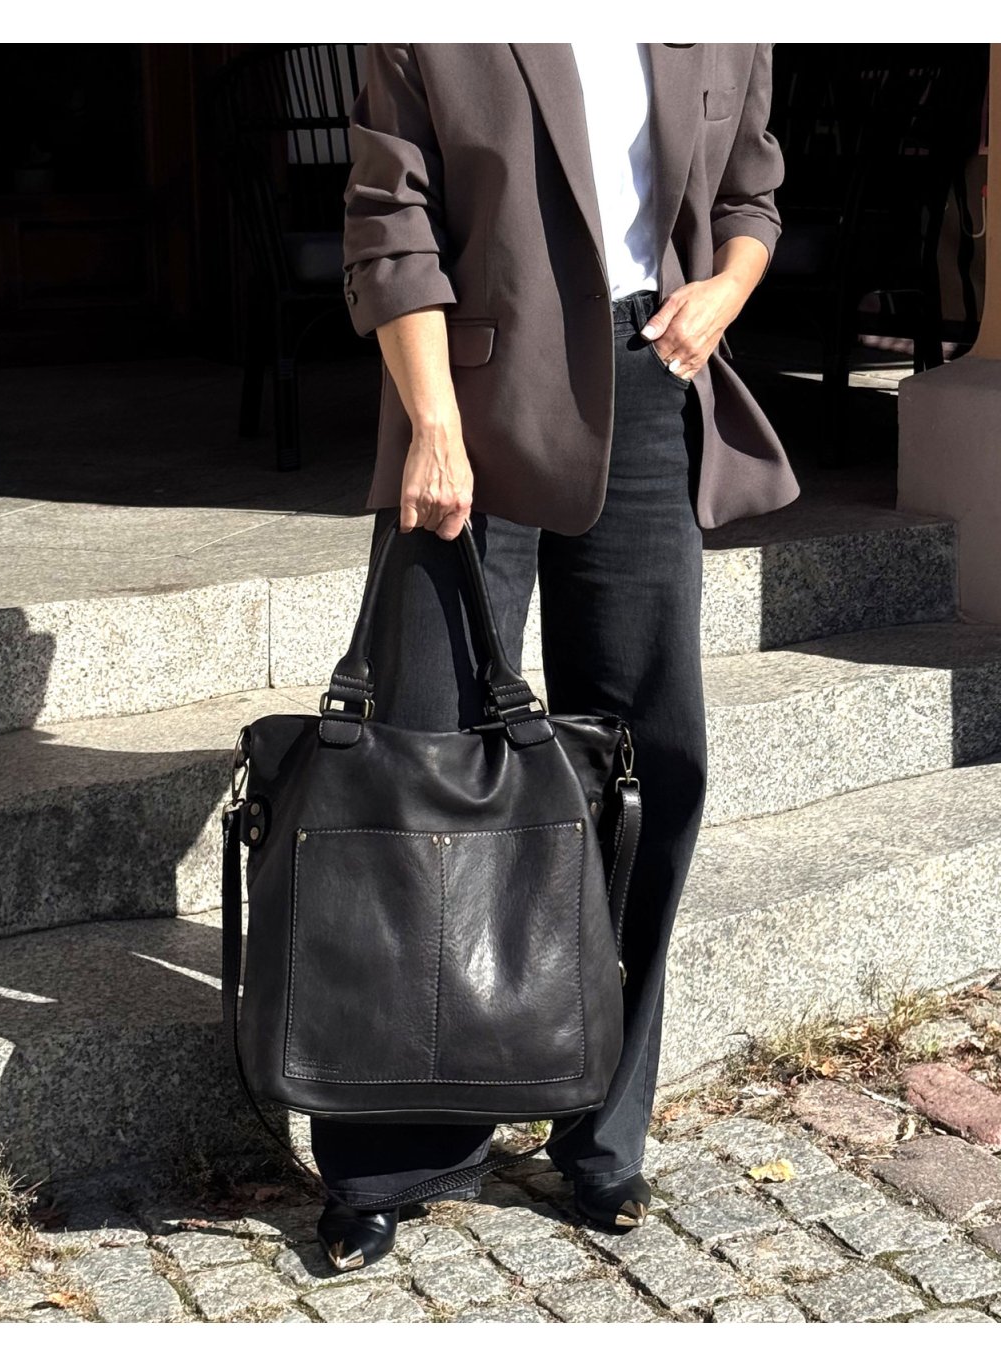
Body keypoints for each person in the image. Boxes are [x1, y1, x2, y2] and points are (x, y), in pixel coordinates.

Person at [311, 41, 800, 1273]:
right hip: (471, 401)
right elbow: (390, 225)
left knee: (646, 768)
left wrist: (722, 291)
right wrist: (431, 425)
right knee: (426, 762)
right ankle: (397, 1151)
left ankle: (598, 1120)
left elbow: (749, 195)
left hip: (653, 392)